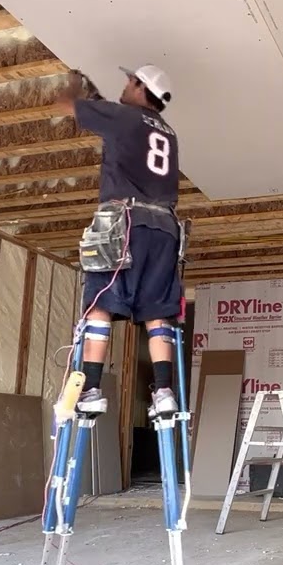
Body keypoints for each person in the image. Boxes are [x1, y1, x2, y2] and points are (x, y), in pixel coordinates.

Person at [55, 64, 184, 419]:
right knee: (158, 312)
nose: (125, 86)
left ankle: (92, 389)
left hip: (125, 223)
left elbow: (66, 104)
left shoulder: (122, 116)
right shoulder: (168, 133)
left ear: (141, 88)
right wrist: (97, 98)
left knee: (100, 303)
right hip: (164, 229)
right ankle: (164, 392)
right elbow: (121, 126)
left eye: (130, 81)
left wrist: (73, 84)